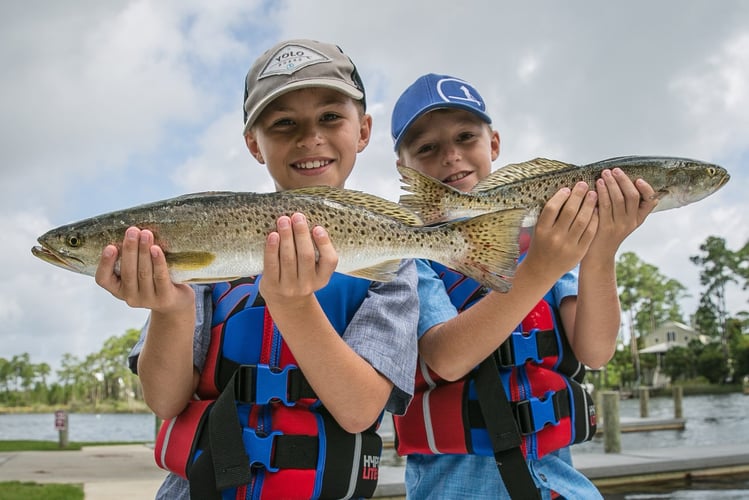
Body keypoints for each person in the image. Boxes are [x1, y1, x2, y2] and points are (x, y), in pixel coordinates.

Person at [94, 39, 419, 499]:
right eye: (284, 123)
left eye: (330, 117)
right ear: (253, 143)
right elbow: (165, 401)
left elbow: (360, 410)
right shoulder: (205, 236)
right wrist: (171, 308)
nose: (310, 138)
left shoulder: (394, 261)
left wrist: (292, 303)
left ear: (363, 130)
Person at [389, 73, 658, 499]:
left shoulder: (547, 238)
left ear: (494, 143)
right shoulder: (408, 254)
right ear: (404, 167)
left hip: (561, 487)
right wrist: (539, 270)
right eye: (427, 148)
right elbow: (447, 359)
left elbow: (596, 350)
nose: (451, 156)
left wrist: (601, 248)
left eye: (465, 137)